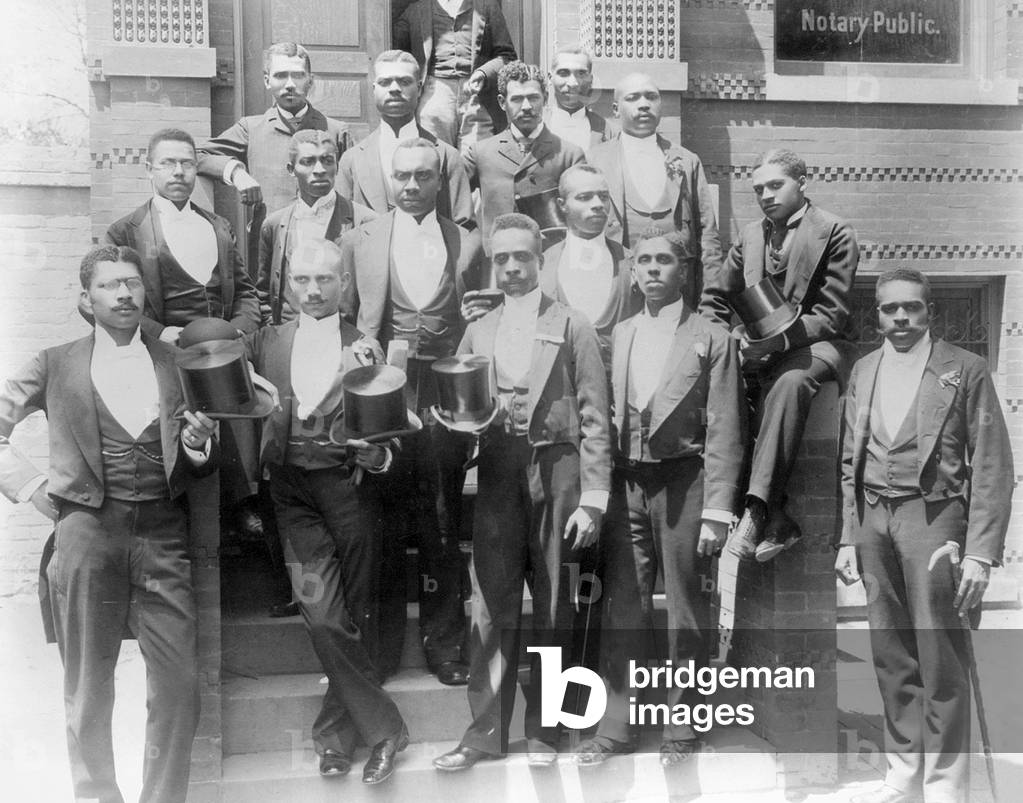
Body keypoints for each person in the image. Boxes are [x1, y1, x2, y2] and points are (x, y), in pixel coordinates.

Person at [0, 245, 218, 803]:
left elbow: (206, 455)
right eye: (109, 286)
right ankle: (98, 795)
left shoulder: (176, 362)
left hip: (163, 536)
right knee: (88, 688)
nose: (123, 294)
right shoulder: (55, 362)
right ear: (85, 299)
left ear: (145, 294)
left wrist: (198, 447)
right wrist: (29, 489)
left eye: (132, 284)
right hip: (87, 537)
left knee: (178, 686)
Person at [432, 213, 611, 771]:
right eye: (501, 259)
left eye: (522, 258)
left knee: (556, 600)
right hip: (498, 476)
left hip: (558, 472)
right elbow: (463, 406)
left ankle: (548, 731)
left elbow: (595, 414)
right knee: (491, 602)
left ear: (540, 261)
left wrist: (593, 496)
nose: (511, 268)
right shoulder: (478, 330)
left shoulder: (571, 323)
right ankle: (484, 732)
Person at [835, 269, 1013, 803]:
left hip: (934, 521)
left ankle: (944, 784)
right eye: (890, 310)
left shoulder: (965, 369)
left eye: (912, 308)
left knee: (939, 655)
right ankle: (903, 771)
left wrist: (980, 552)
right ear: (878, 315)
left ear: (929, 311)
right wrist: (848, 536)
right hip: (872, 519)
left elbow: (993, 467)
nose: (901, 319)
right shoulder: (864, 370)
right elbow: (849, 460)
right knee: (890, 652)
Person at [574, 230, 744, 767]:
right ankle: (617, 724)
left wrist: (717, 510)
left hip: (684, 483)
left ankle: (682, 724)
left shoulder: (711, 337)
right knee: (624, 605)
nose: (652, 270)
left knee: (686, 608)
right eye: (643, 261)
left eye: (663, 261)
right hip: (628, 483)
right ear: (631, 272)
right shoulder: (619, 333)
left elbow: (724, 427)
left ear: (684, 271)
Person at [243, 239, 410, 785]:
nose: (312, 291)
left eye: (324, 280)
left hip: (350, 489)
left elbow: (390, 437)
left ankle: (336, 739)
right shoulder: (266, 342)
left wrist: (380, 454)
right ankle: (386, 730)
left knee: (356, 612)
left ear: (343, 284)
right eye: (302, 280)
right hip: (291, 493)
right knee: (323, 615)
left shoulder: (366, 348)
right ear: (288, 284)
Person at [341, 137, 484, 685]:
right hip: (383, 389)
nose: (411, 185)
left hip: (446, 391)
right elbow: (347, 314)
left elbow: (480, 309)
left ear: (441, 180)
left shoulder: (466, 240)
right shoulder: (361, 238)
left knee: (443, 518)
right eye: (402, 175)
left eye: (424, 176)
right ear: (388, 178)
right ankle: (378, 652)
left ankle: (446, 646)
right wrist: (359, 346)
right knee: (379, 514)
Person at [104, 127, 264, 541]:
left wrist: (241, 338)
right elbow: (109, 300)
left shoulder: (218, 225)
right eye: (168, 164)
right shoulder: (125, 232)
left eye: (187, 163)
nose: (179, 172)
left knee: (247, 415)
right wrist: (159, 332)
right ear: (149, 170)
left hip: (223, 353)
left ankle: (246, 503)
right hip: (163, 358)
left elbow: (246, 293)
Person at [701, 148, 859, 562]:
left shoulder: (835, 231)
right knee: (729, 385)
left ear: (802, 183)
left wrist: (776, 344)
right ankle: (778, 518)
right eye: (758, 189)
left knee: (790, 384)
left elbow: (832, 314)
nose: (766, 195)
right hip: (761, 349)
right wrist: (724, 344)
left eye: (776, 185)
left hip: (818, 346)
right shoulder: (751, 236)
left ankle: (755, 510)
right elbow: (716, 298)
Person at [588, 72, 722, 306]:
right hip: (617, 296)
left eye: (652, 97)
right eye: (633, 98)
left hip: (679, 297)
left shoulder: (687, 161)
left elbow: (708, 238)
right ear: (616, 109)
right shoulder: (594, 161)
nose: (643, 105)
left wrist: (710, 307)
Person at [198, 42, 353, 213]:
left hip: (325, 234)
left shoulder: (336, 132)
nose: (290, 84)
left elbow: (354, 185)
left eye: (298, 75)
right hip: (270, 236)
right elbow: (198, 156)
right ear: (267, 81)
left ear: (310, 81)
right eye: (280, 76)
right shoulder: (251, 129)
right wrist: (236, 173)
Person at [337, 50, 473, 228]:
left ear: (419, 88)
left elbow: (464, 229)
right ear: (374, 89)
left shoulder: (447, 156)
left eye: (404, 81)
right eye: (385, 82)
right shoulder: (352, 159)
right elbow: (342, 229)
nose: (394, 89)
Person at [464, 61, 586, 253]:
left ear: (545, 99)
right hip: (497, 263)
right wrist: (476, 241)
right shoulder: (481, 153)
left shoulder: (569, 155)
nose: (527, 106)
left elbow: (581, 214)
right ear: (502, 103)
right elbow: (453, 201)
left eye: (533, 98)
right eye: (517, 99)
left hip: (548, 260)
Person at [258, 130, 376, 326]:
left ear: (337, 166)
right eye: (308, 162)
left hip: (344, 340)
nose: (320, 169)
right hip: (291, 342)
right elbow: (263, 294)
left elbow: (375, 295)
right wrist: (276, 335)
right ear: (291, 169)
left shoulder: (366, 222)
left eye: (327, 160)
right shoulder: (273, 225)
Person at [540, 164, 642, 369]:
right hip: (561, 388)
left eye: (603, 196)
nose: (598, 204)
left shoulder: (632, 262)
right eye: (585, 197)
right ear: (562, 205)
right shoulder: (542, 266)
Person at [392, 0, 516, 153]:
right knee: (434, 159)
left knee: (476, 161)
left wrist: (483, 73)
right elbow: (396, 54)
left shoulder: (486, 7)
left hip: (478, 97)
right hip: (434, 95)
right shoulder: (416, 10)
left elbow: (507, 56)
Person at [544, 45, 614, 155]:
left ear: (591, 80)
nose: (573, 83)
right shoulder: (536, 124)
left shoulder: (606, 130)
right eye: (564, 73)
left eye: (581, 74)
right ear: (550, 78)